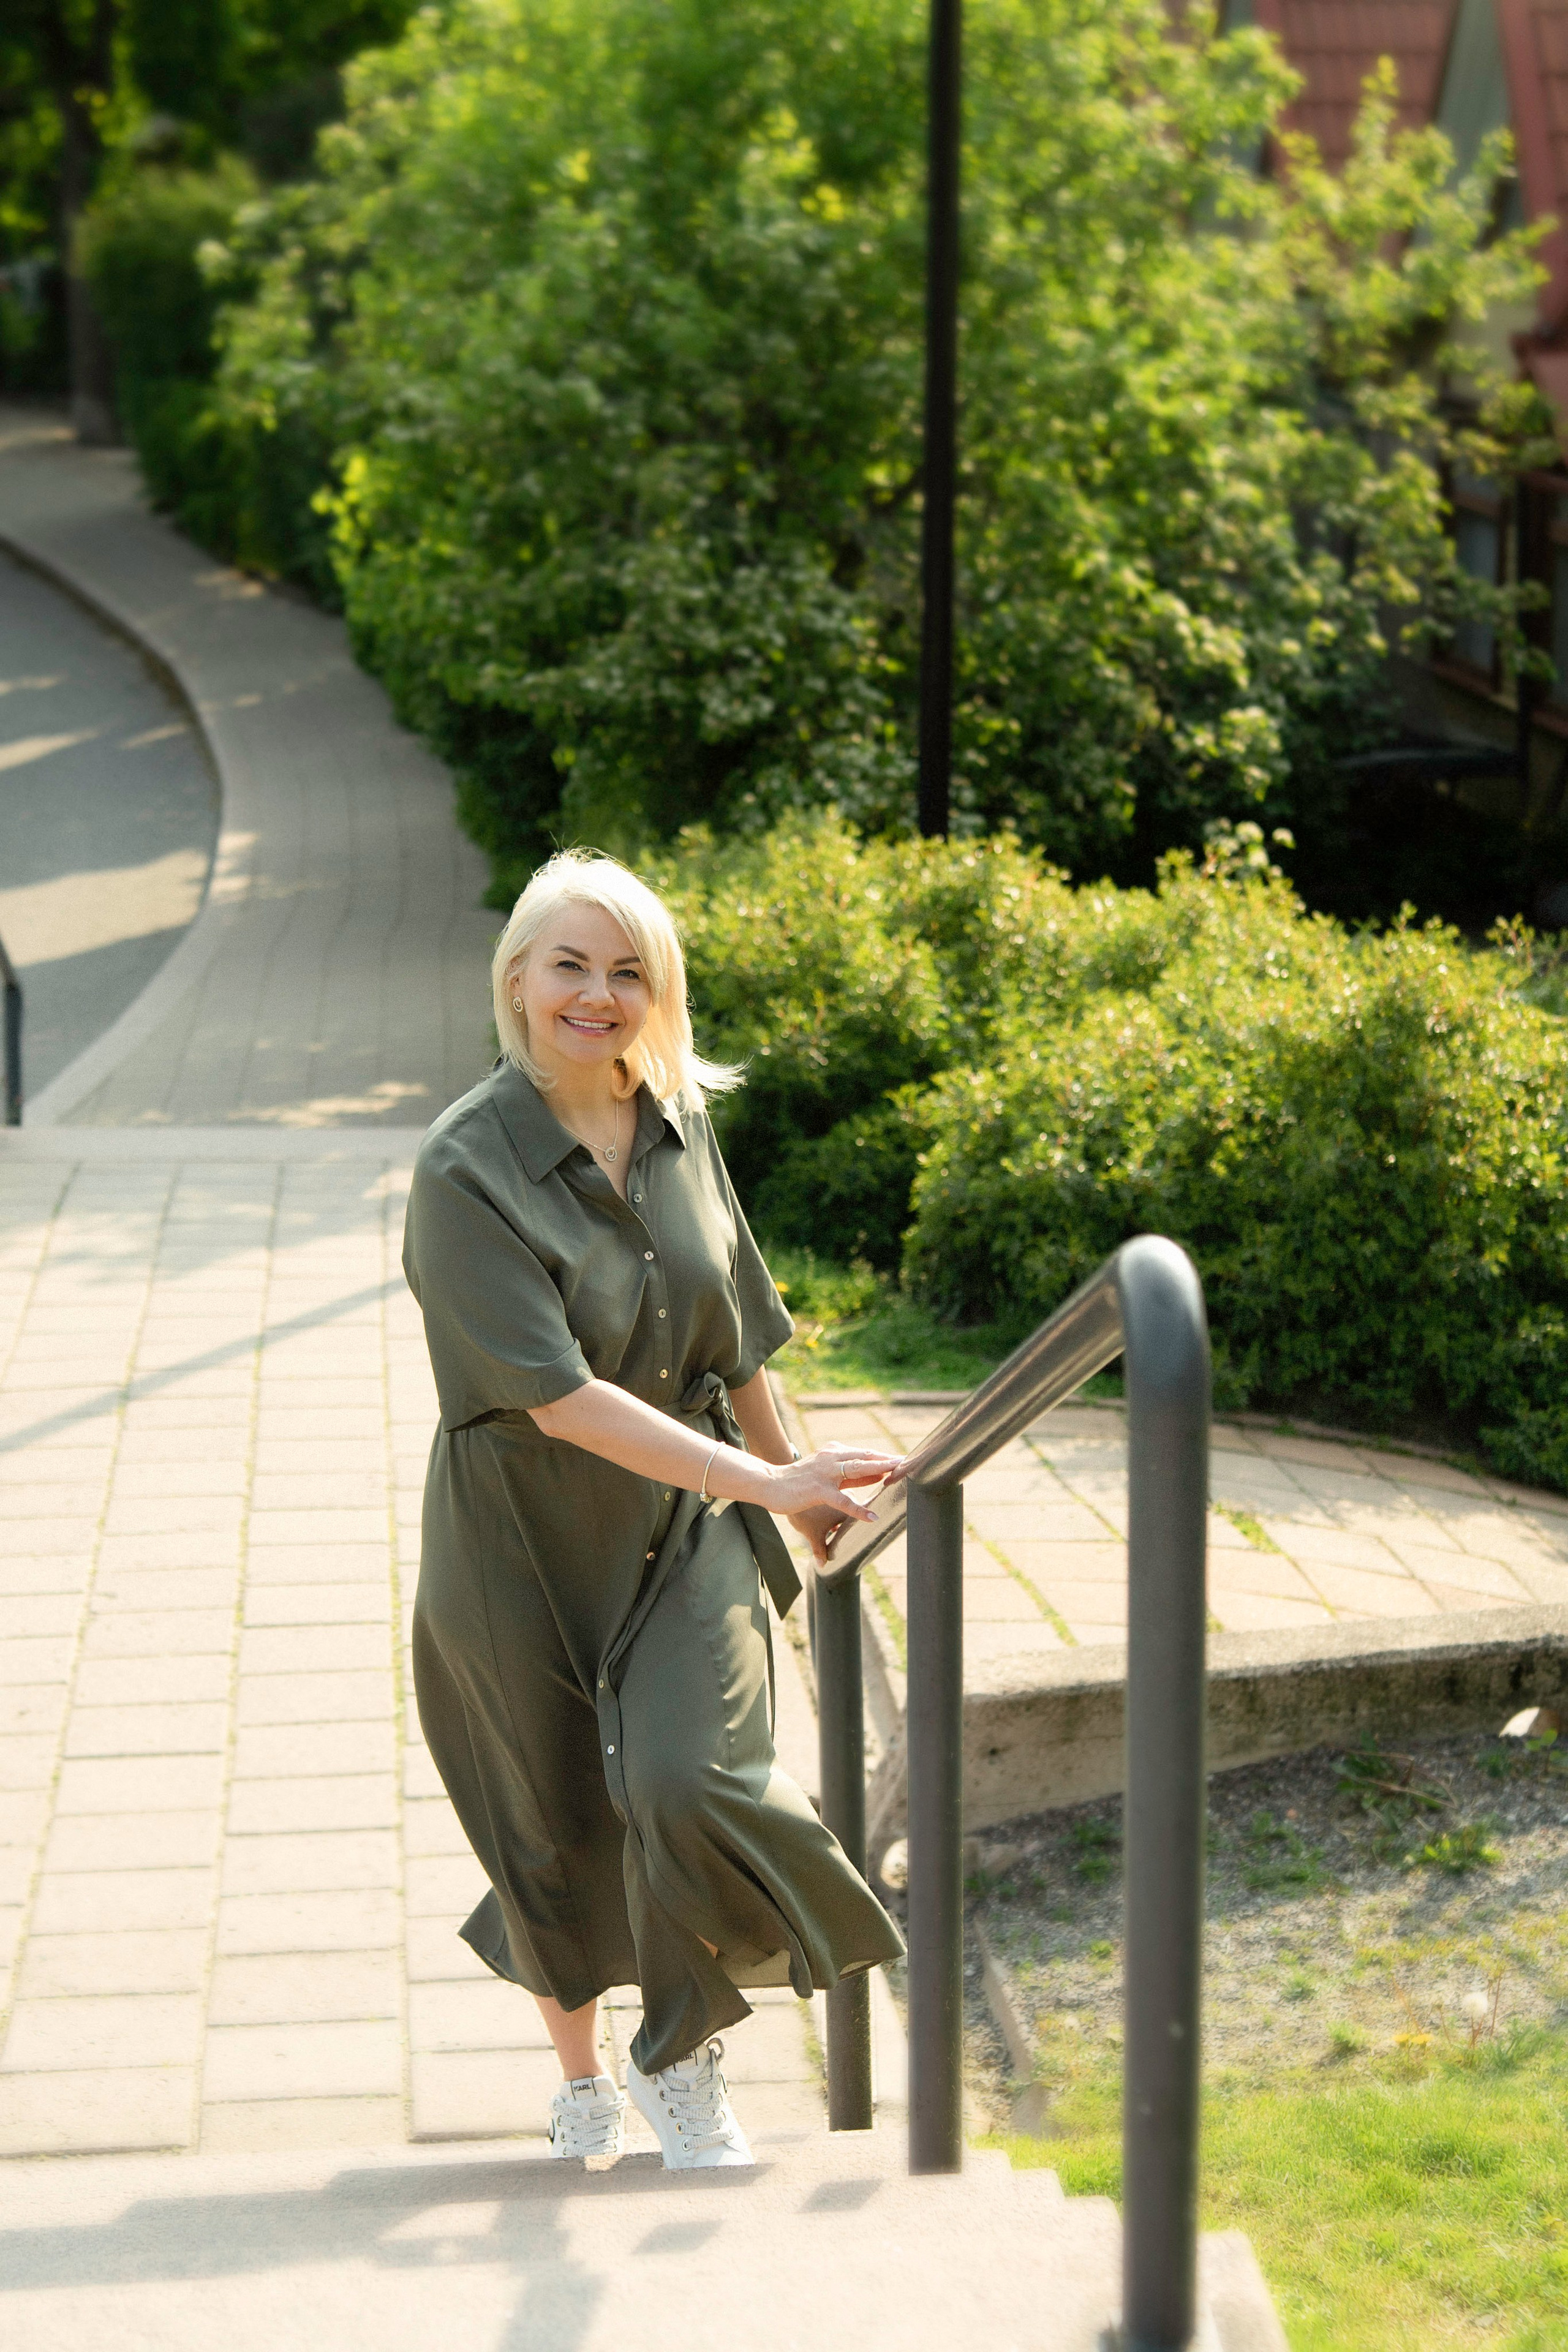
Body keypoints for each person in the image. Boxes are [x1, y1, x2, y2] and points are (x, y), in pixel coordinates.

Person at [402, 850, 906, 2171]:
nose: (598, 994)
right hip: (520, 1549)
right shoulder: (463, 1169)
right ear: (517, 978)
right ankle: (582, 2083)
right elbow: (558, 1401)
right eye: (570, 963)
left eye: (628, 971)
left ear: (656, 994)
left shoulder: (679, 1125)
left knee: (690, 1782)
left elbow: (735, 1339)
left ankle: (679, 2053)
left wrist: (797, 1496)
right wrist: (770, 1481)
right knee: (553, 1821)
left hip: (684, 1538)